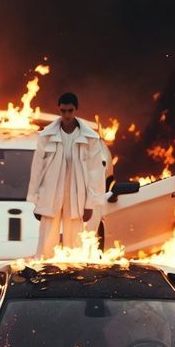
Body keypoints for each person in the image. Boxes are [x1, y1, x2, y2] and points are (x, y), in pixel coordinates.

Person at [27, 92, 109, 257]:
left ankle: (74, 274)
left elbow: (96, 172)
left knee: (75, 239)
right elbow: (37, 168)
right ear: (59, 109)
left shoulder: (90, 138)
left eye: (70, 110)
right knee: (47, 238)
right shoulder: (46, 135)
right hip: (50, 193)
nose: (66, 115)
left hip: (76, 194)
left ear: (75, 110)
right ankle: (45, 273)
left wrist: (90, 204)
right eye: (63, 111)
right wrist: (36, 200)